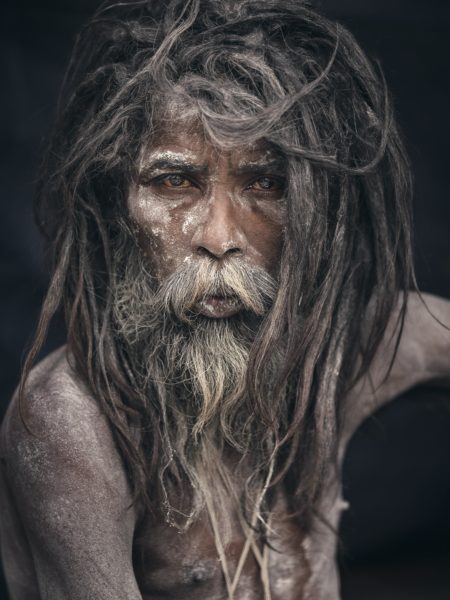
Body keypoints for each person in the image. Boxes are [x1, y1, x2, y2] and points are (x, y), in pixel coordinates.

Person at [0, 0, 449, 598]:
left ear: (315, 208)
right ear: (117, 205)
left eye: (265, 184)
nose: (218, 238)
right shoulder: (71, 424)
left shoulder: (346, 350)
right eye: (175, 182)